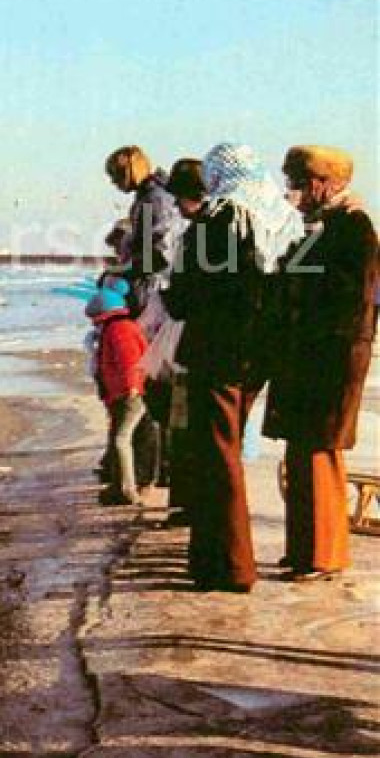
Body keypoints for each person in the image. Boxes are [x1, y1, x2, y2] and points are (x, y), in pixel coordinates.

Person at [162, 143, 303, 593]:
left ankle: (230, 565)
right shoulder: (283, 219)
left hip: (215, 351)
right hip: (258, 353)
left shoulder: (218, 220)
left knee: (216, 455)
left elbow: (183, 296)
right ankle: (211, 561)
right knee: (226, 449)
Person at [264, 145, 379, 582]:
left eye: (298, 181)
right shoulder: (323, 225)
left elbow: (349, 298)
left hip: (330, 355)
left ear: (322, 183)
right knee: (303, 448)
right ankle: (304, 550)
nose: (292, 190)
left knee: (319, 450)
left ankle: (323, 555)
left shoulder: (353, 227)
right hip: (311, 353)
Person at [156, 158, 207, 527]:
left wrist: (168, 295)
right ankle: (188, 503)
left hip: (197, 344)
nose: (175, 206)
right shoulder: (211, 228)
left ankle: (189, 505)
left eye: (179, 198)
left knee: (188, 428)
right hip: (198, 342)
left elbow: (185, 295)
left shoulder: (202, 233)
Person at [88, 285, 148, 505]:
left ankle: (127, 490)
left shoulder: (118, 330)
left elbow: (130, 362)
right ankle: (119, 486)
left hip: (127, 393)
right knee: (118, 439)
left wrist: (132, 388)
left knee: (122, 440)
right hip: (122, 392)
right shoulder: (121, 326)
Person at [104, 145, 178, 310]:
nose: (113, 181)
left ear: (129, 171)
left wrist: (122, 271)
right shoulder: (148, 197)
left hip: (155, 290)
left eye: (115, 174)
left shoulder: (154, 199)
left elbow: (160, 253)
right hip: (150, 286)